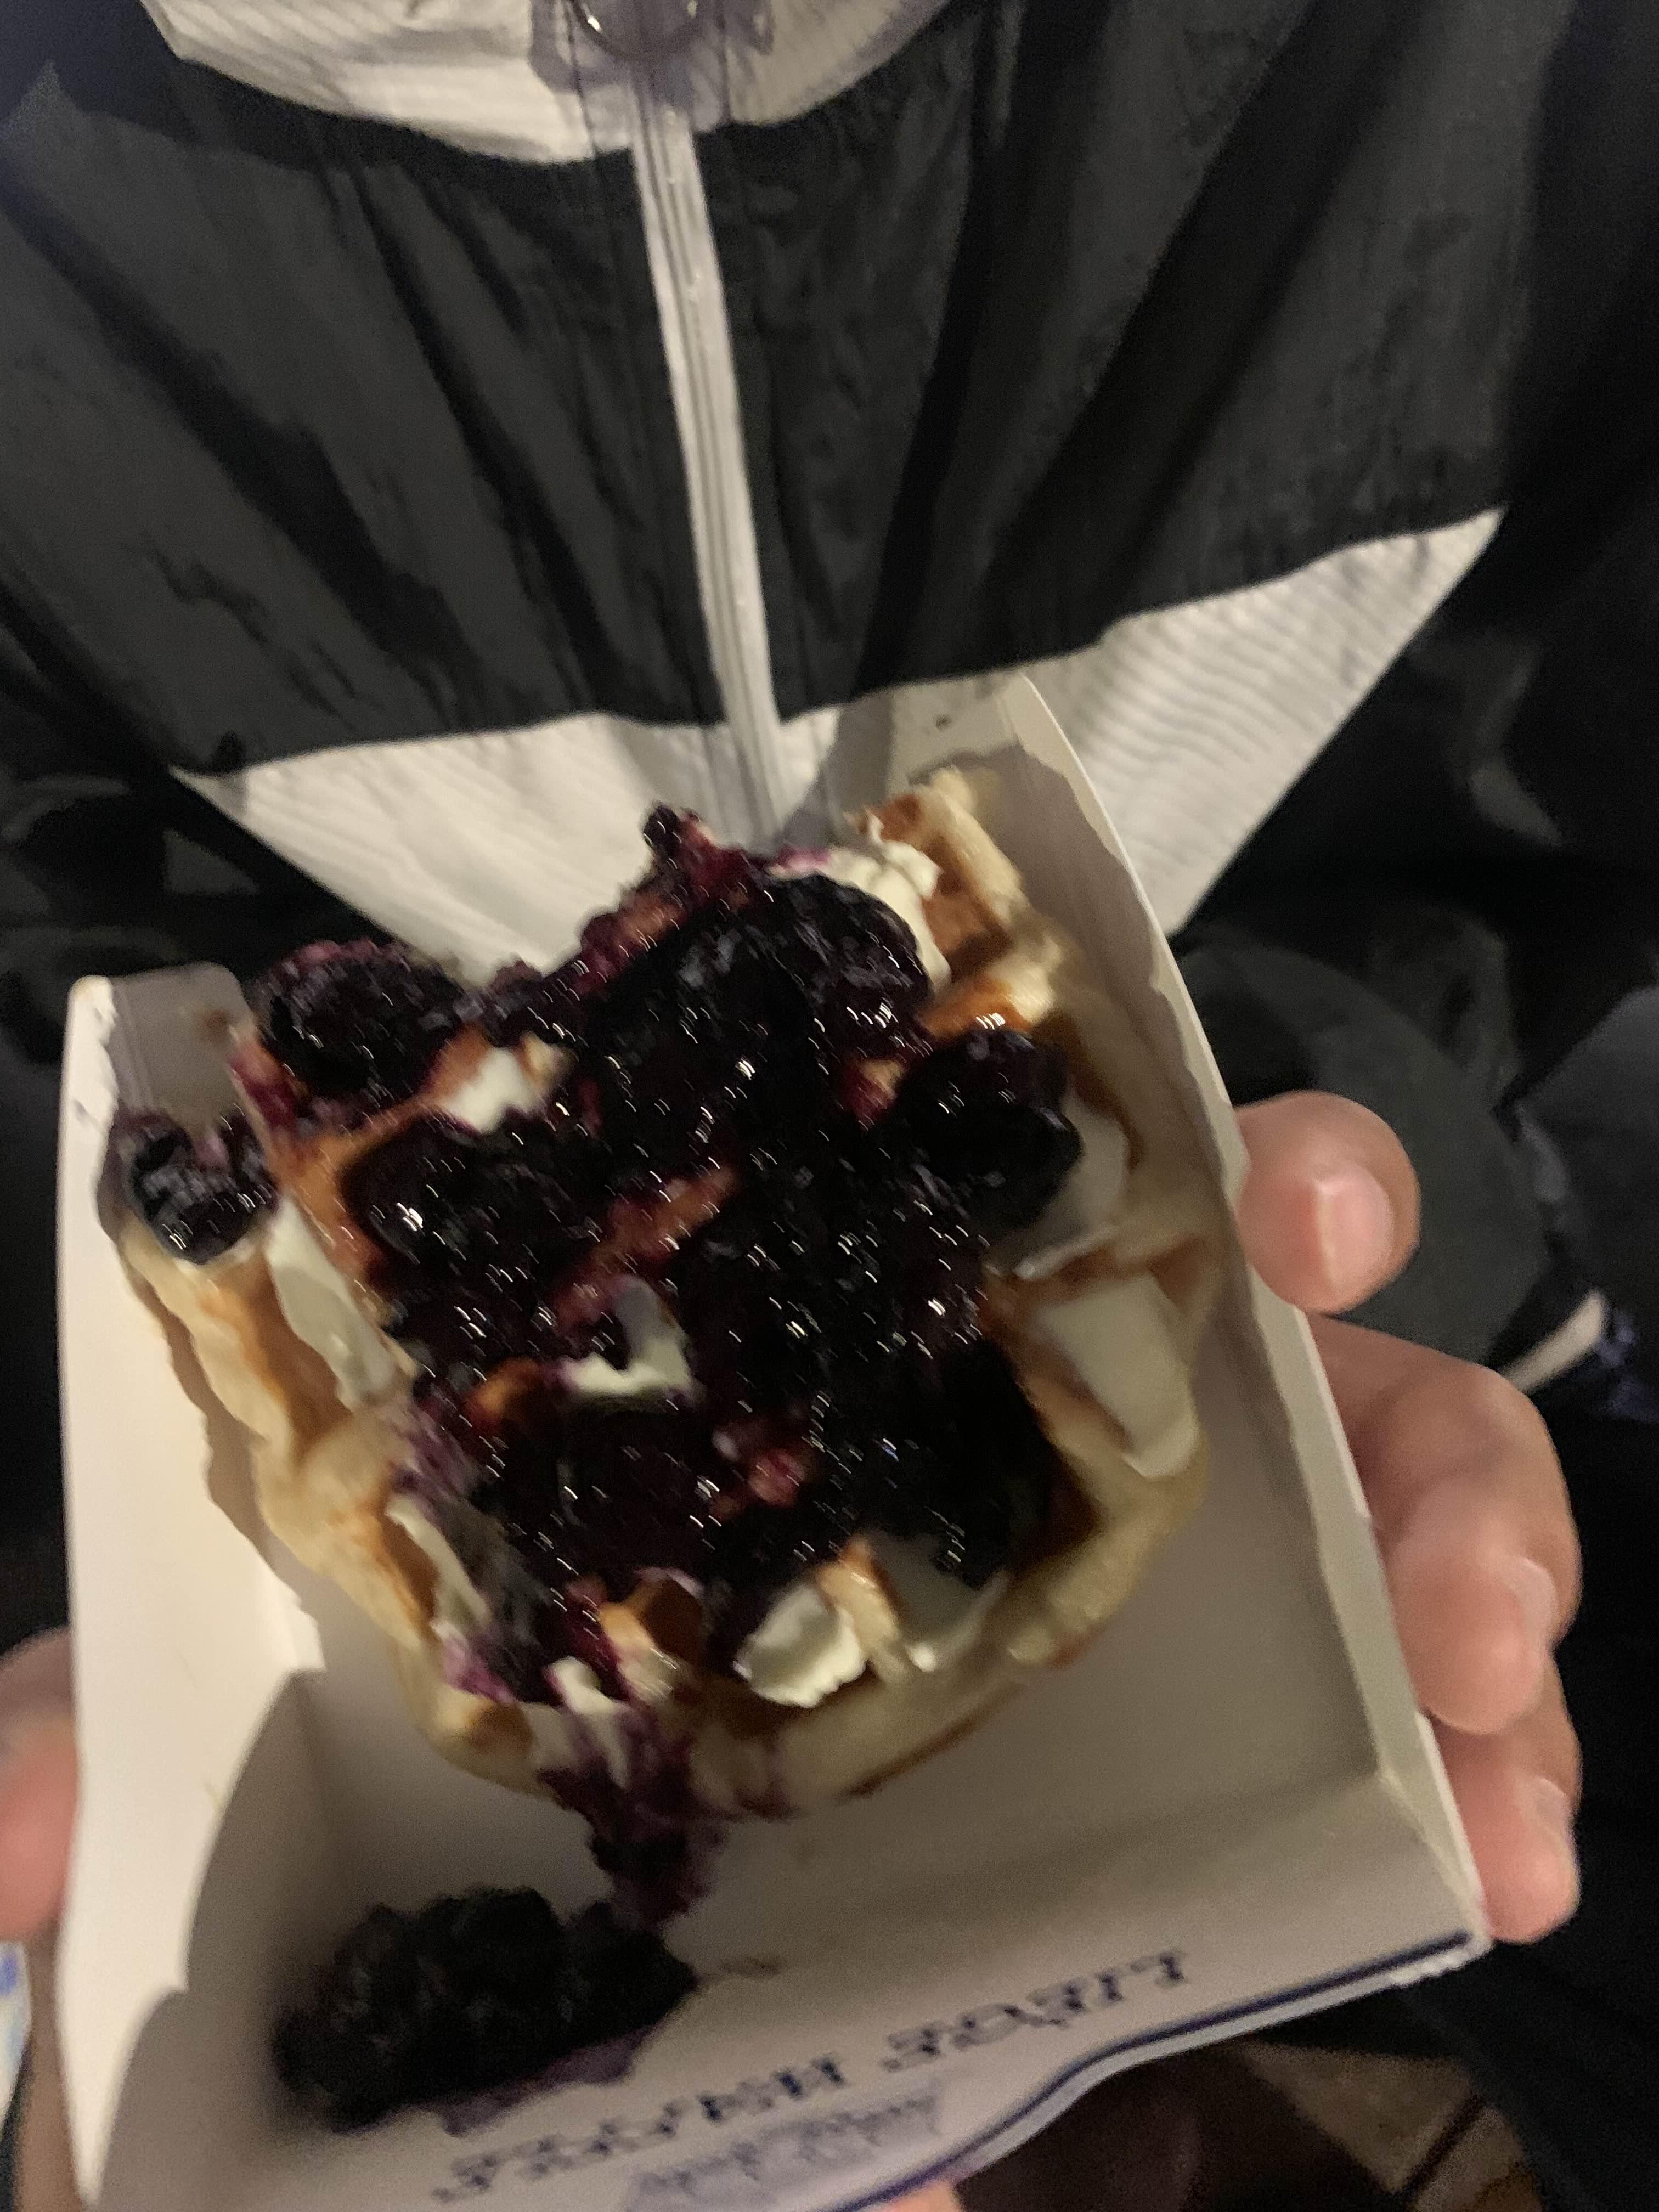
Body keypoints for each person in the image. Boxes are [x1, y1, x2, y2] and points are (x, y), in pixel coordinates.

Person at [2, 2, 1656, 2206]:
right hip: (517, 1687)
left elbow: (1541, 784)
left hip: (1433, 1393)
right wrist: (95, 1542)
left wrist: (1301, 1099)